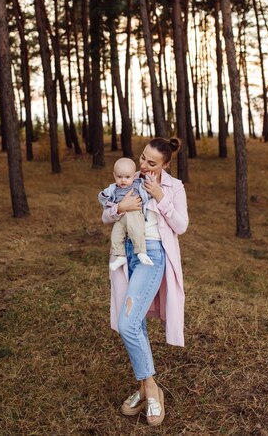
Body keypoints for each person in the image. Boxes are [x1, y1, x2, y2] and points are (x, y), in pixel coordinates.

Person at [101, 137, 188, 427]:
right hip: (127, 256)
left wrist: (160, 198)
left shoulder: (173, 187)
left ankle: (150, 388)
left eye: (152, 163)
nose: (144, 165)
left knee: (127, 323)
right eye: (142, 158)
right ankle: (145, 387)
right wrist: (120, 207)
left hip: (153, 256)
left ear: (164, 165)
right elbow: (105, 214)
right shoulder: (128, 177)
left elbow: (181, 226)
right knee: (133, 321)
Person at [98, 157, 154, 271]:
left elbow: (149, 194)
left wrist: (151, 181)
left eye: (127, 177)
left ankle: (141, 252)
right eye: (119, 177)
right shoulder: (113, 188)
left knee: (136, 231)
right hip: (121, 216)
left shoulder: (138, 185)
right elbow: (103, 198)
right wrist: (104, 196)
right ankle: (120, 256)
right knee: (116, 234)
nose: (123, 180)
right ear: (114, 176)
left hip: (135, 214)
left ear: (134, 176)